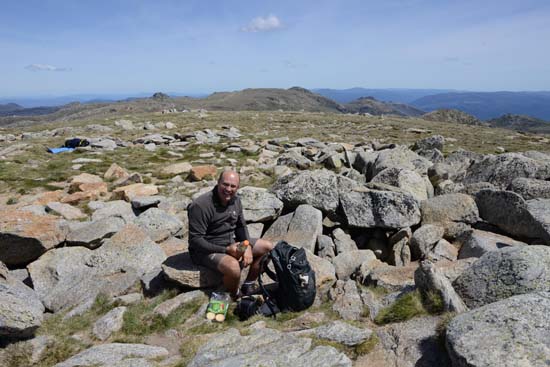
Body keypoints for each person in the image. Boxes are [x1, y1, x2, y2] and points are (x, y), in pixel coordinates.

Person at [188, 169, 274, 299]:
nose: (228, 189)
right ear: (218, 183)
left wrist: (247, 245)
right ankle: (235, 294)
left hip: (230, 244)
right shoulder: (201, 205)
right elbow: (195, 240)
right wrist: (226, 250)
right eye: (225, 184)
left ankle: (248, 283)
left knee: (267, 247)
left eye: (233, 186)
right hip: (206, 250)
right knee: (234, 267)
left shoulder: (235, 200)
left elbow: (240, 226)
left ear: (237, 188)